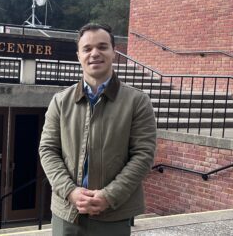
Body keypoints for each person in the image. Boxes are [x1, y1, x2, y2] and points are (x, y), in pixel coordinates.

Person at [39, 23, 157, 236]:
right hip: (67, 212)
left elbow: (143, 156)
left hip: (113, 214)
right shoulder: (60, 101)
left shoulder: (138, 102)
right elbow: (47, 150)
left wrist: (109, 196)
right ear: (78, 55)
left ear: (114, 52)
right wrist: (70, 191)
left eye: (102, 47)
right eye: (87, 48)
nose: (95, 53)